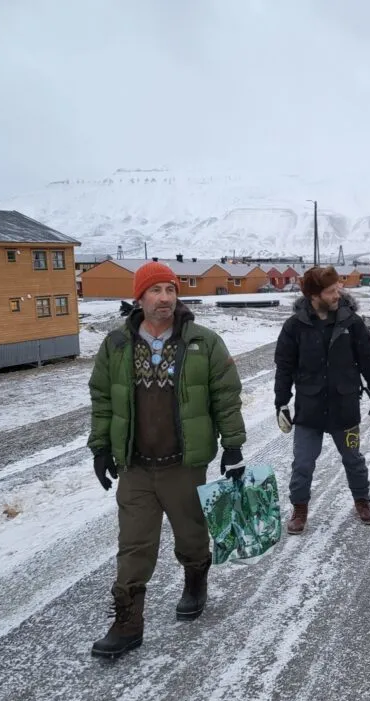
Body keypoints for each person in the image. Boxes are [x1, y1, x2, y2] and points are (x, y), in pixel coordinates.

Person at [87, 260, 247, 658]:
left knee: (191, 536)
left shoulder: (203, 342)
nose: (165, 299)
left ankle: (196, 580)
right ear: (139, 298)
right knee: (133, 546)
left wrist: (233, 445)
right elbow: (103, 398)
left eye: (171, 291)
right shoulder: (117, 345)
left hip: (184, 464)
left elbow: (225, 395)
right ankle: (127, 623)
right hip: (136, 466)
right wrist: (101, 447)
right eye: (156, 291)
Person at [274, 266, 370, 535]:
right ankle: (299, 509)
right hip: (309, 410)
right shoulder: (294, 327)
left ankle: (362, 501)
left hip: (344, 408)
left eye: (338, 289)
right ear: (314, 294)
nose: (338, 294)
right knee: (302, 463)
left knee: (353, 459)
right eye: (331, 290)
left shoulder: (353, 323)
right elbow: (284, 368)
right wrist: (281, 403)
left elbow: (368, 362)